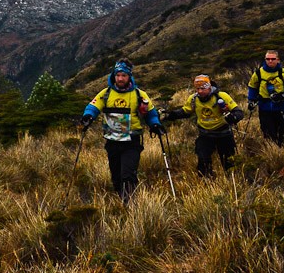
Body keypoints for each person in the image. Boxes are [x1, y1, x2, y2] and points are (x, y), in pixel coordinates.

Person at [79, 59, 165, 203]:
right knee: (116, 175)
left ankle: (129, 203)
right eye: (117, 75)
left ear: (129, 76)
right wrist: (88, 117)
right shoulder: (105, 93)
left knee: (128, 174)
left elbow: (151, 113)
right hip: (112, 141)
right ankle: (121, 197)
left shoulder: (139, 95)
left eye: (123, 75)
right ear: (114, 75)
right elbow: (93, 106)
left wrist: (155, 124)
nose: (120, 78)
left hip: (132, 141)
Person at [162, 74, 244, 177]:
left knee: (229, 162)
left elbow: (239, 112)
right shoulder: (193, 99)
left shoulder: (222, 96)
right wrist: (170, 115)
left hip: (223, 134)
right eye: (197, 88)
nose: (200, 91)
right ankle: (207, 181)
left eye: (203, 88)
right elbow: (185, 111)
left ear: (209, 86)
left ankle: (233, 181)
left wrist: (233, 117)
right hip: (205, 135)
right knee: (203, 161)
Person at [246, 50, 284, 146]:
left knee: (281, 131)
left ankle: (282, 150)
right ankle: (271, 151)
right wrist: (251, 100)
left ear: (278, 60)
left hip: (280, 107)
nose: (270, 61)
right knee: (268, 132)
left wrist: (283, 96)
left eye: (273, 59)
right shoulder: (258, 73)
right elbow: (252, 87)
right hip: (264, 108)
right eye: (268, 59)